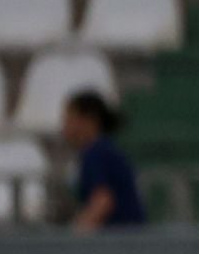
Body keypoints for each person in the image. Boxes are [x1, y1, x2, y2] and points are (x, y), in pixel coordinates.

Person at [61, 90, 145, 231]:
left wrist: (75, 235)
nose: (65, 126)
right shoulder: (103, 150)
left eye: (69, 119)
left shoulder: (96, 153)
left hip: (122, 243)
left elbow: (103, 201)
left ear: (88, 119)